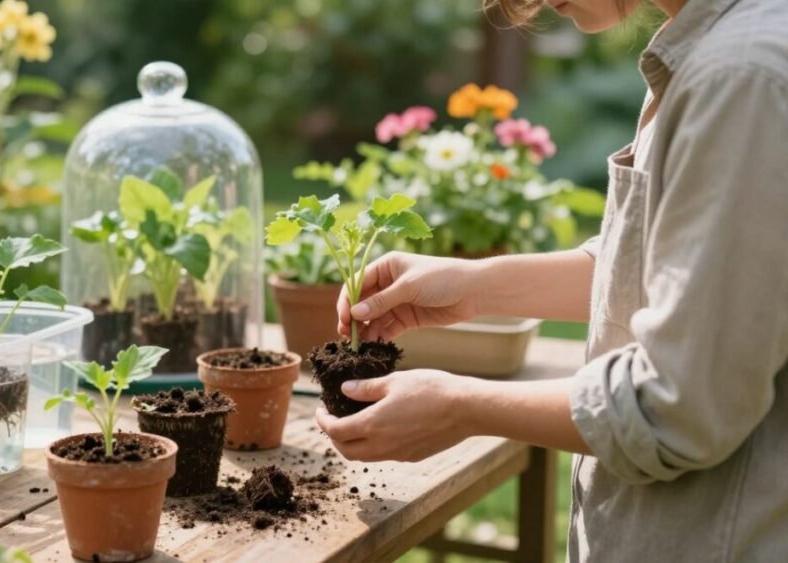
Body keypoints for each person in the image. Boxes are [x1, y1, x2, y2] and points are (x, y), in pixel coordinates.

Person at [314, 0, 788, 560]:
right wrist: (474, 286)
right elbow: (671, 273)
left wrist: (464, 405)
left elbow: (677, 403)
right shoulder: (707, 51)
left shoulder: (740, 78)